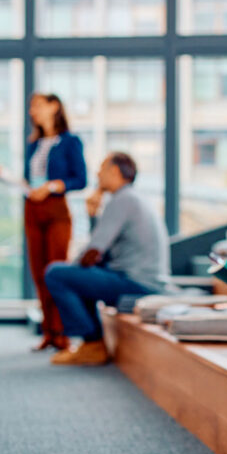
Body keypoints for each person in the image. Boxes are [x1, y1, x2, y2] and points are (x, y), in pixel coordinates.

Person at [45, 152, 167, 366]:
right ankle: (91, 343)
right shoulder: (132, 198)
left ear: (115, 171)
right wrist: (93, 215)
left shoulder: (122, 200)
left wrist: (71, 271)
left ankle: (92, 343)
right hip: (141, 280)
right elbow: (100, 252)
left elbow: (92, 252)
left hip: (137, 283)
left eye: (101, 168)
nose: (97, 174)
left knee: (56, 274)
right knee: (77, 276)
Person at [24, 93, 86, 352]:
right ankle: (48, 331)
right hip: (32, 207)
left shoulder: (70, 142)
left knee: (55, 270)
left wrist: (52, 186)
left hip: (56, 208)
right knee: (38, 272)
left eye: (38, 105)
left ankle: (63, 332)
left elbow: (80, 179)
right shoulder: (33, 144)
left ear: (54, 107)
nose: (32, 111)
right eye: (31, 107)